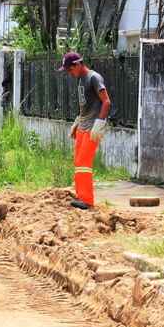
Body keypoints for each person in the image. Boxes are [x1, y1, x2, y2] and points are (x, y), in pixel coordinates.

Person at [59, 51, 111, 209]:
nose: (69, 73)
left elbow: (106, 102)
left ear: (78, 64)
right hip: (83, 125)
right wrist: (77, 122)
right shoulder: (80, 79)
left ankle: (87, 200)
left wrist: (100, 123)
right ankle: (81, 196)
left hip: (92, 127)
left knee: (84, 162)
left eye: (70, 69)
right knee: (78, 162)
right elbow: (85, 105)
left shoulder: (94, 78)